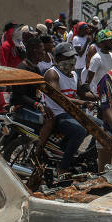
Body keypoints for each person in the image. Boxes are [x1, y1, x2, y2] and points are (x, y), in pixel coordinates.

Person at [42, 42, 98, 175]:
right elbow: (59, 98)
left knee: (101, 126)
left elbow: (82, 93)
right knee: (80, 130)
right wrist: (82, 103)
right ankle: (63, 168)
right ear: (58, 59)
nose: (72, 60)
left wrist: (99, 97)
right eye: (68, 57)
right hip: (57, 114)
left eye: (73, 57)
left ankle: (86, 157)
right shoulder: (52, 74)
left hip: (72, 113)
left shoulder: (74, 74)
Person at [85, 30, 112, 95]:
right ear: (102, 43)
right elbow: (89, 80)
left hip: (110, 92)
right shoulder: (97, 58)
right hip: (98, 93)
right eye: (110, 41)